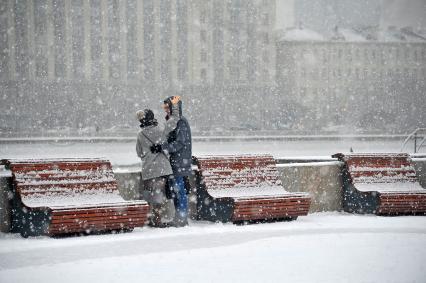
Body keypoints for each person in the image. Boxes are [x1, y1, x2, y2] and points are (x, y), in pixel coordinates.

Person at [135, 96, 180, 227]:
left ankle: (151, 219)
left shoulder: (140, 134)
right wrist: (175, 104)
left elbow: (139, 152)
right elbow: (174, 120)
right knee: (158, 195)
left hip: (148, 169)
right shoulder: (161, 131)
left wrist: (147, 156)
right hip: (162, 169)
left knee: (149, 195)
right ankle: (157, 220)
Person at [150, 96, 192, 227]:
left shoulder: (181, 122)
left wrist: (163, 147)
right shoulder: (174, 121)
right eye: (164, 107)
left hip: (179, 162)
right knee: (176, 190)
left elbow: (180, 143)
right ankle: (179, 217)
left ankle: (182, 218)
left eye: (168, 107)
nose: (165, 110)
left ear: (174, 108)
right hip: (175, 161)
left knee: (180, 191)